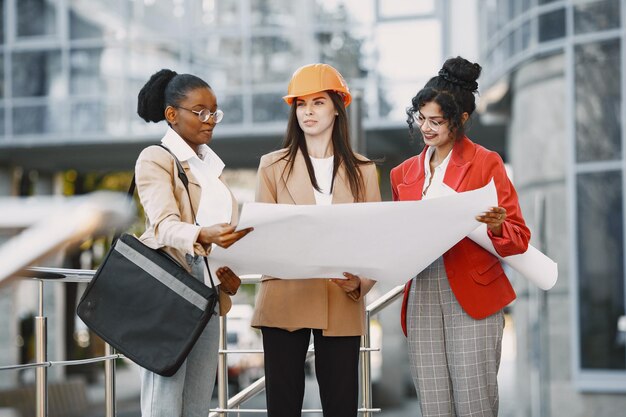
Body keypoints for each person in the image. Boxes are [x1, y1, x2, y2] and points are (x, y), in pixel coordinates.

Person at [390, 57, 531, 417]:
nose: (426, 128)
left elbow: (519, 237)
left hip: (473, 294)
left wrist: (498, 225)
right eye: (421, 118)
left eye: (436, 121)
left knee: (475, 405)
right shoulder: (402, 174)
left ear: (461, 119)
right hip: (422, 294)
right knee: (434, 407)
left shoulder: (486, 163)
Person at [251, 63, 381, 417]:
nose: (307, 111)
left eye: (318, 102)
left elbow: (375, 240)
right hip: (285, 294)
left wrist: (362, 281)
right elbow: (262, 232)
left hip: (340, 295)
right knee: (283, 405)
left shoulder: (363, 170)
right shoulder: (272, 166)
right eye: (301, 104)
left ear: (337, 107)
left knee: (341, 406)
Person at [135, 69, 252, 417]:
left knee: (197, 405)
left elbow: (220, 241)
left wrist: (229, 279)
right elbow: (164, 226)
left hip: (207, 297)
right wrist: (203, 235)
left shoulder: (210, 171)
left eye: (214, 111)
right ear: (172, 114)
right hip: (171, 291)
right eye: (200, 111)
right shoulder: (156, 158)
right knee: (164, 402)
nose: (210, 119)